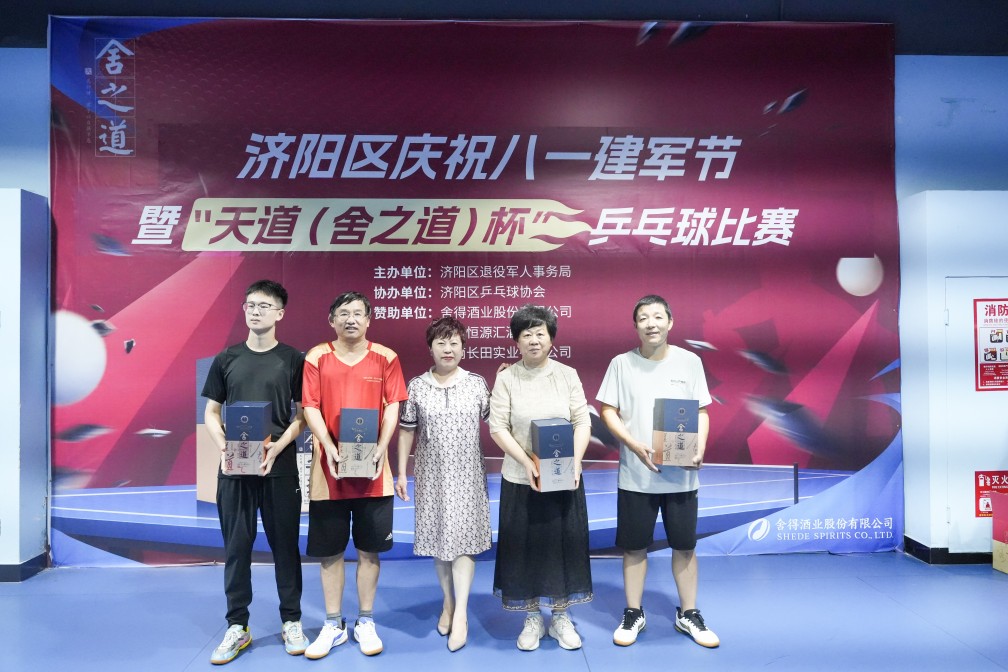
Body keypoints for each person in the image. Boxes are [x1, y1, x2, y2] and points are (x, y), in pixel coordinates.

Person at [596, 294, 720, 648]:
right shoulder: (621, 364)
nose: (651, 323)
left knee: (685, 547)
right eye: (643, 318)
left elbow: (701, 411)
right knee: (634, 547)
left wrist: (700, 447)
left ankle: (689, 613)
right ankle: (633, 612)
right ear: (635, 326)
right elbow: (607, 411)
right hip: (636, 476)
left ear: (670, 322)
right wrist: (632, 443)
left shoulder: (690, 362)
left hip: (682, 476)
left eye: (657, 317)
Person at [201, 279, 308, 665]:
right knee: (236, 549)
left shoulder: (293, 359)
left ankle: (291, 620)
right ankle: (237, 626)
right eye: (250, 305)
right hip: (234, 471)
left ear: (279, 313)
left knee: (285, 548)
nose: (256, 311)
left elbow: (303, 415)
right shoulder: (226, 359)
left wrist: (277, 446)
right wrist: (225, 446)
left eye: (264, 305)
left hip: (279, 468)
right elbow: (211, 411)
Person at [301, 292, 408, 658]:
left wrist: (381, 447)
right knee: (329, 553)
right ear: (332, 320)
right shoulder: (317, 356)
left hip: (374, 473)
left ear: (368, 320)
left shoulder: (386, 357)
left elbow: (393, 406)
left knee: (369, 551)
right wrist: (329, 447)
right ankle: (333, 624)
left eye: (358, 313)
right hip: (328, 473)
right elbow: (310, 406)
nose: (351, 319)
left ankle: (365, 620)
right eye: (343, 313)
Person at [489, 304, 592, 651]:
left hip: (563, 476)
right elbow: (498, 427)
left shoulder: (567, 375)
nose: (533, 340)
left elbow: (582, 421)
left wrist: (575, 461)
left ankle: (560, 615)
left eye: (540, 333)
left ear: (551, 339)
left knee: (562, 545)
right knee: (525, 548)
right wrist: (527, 462)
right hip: (522, 478)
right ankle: (532, 616)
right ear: (516, 341)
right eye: (526, 334)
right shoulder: (507, 378)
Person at [395, 316, 492, 652]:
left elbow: (498, 424)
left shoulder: (477, 384)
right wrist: (401, 472)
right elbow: (406, 431)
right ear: (430, 348)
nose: (448, 349)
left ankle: (460, 613)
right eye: (441, 342)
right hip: (431, 477)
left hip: (468, 477)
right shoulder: (416, 387)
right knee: (439, 543)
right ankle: (447, 602)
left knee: (463, 543)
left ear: (464, 348)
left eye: (454, 343)